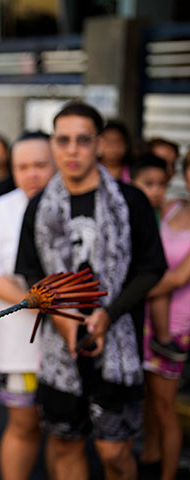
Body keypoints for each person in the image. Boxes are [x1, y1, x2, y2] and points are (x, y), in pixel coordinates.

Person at [15, 102, 167, 480]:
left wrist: (109, 314)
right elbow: (30, 273)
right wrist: (62, 318)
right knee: (66, 447)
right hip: (61, 344)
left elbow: (152, 268)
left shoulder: (130, 201)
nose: (72, 150)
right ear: (53, 143)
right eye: (63, 140)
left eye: (83, 140)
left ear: (99, 143)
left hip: (117, 340)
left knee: (113, 452)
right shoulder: (38, 207)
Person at [0, 131, 56, 480]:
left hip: (71, 336)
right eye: (22, 166)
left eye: (40, 165)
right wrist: (34, 302)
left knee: (64, 431)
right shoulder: (2, 208)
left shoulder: (70, 203)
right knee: (23, 423)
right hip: (20, 338)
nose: (31, 173)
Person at [140, 154, 190, 480]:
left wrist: (131, 292)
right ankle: (149, 459)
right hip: (146, 317)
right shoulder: (171, 207)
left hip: (174, 329)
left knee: (164, 407)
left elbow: (176, 279)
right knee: (147, 402)